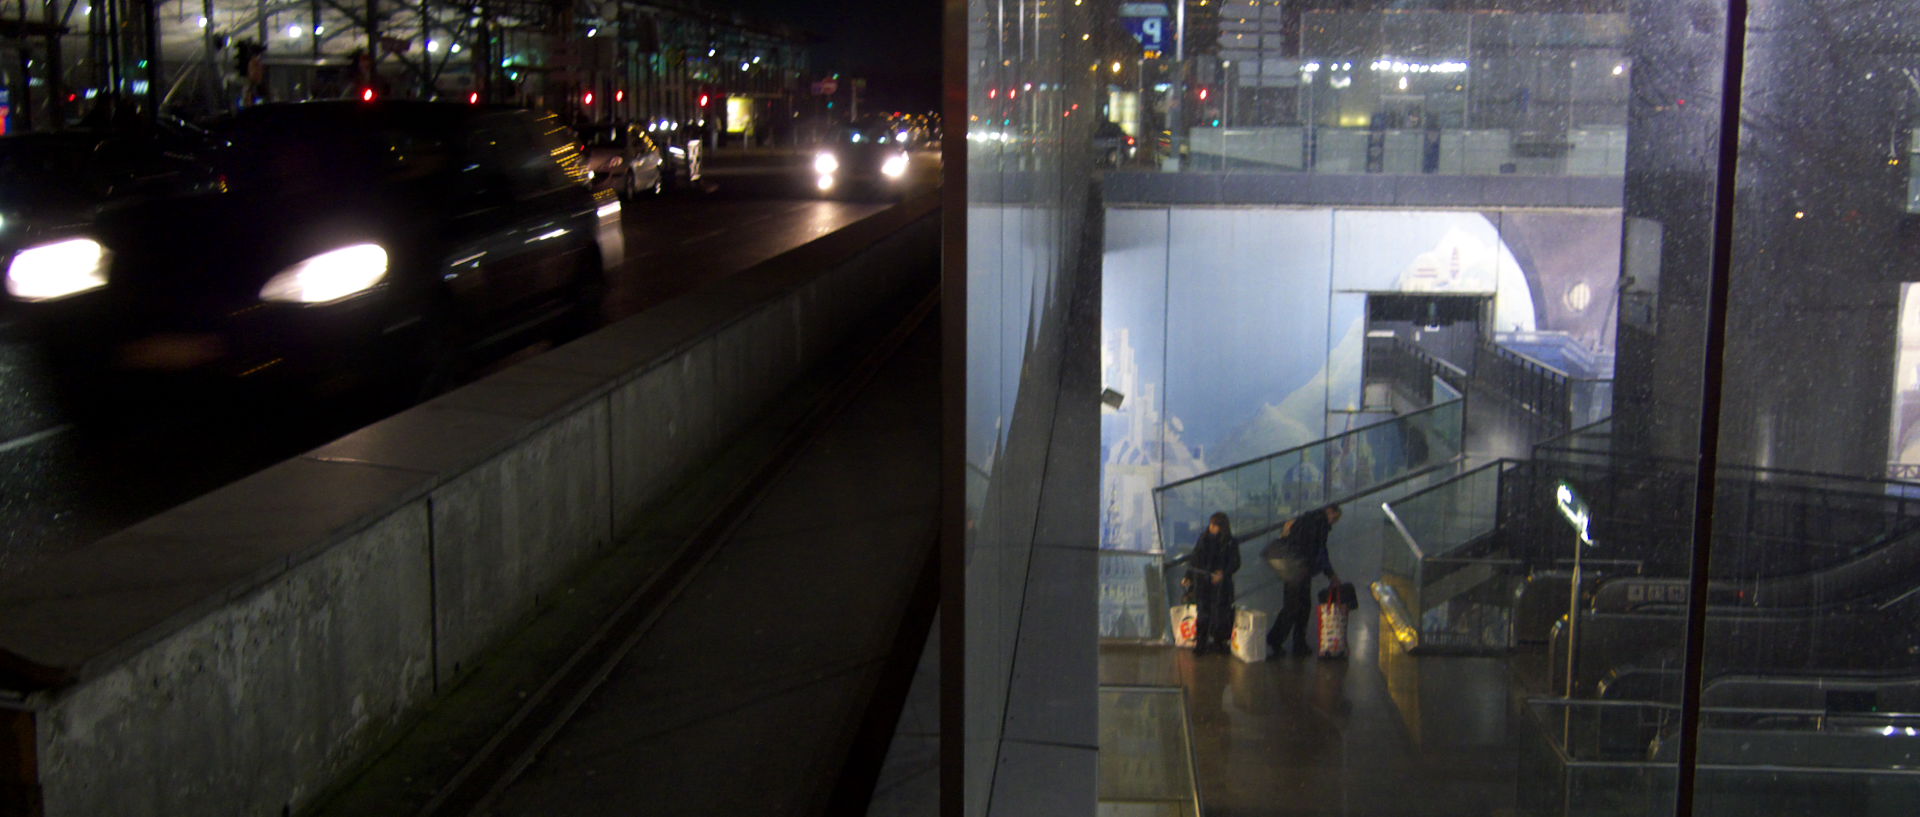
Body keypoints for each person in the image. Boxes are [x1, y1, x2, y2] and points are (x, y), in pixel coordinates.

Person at [1265, 504, 1343, 657]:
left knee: (1296, 606)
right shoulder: (1320, 524)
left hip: (1294, 567)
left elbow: (1293, 538)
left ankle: (1290, 641)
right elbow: (1320, 551)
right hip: (1300, 569)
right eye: (1335, 518)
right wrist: (1331, 574)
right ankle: (1282, 641)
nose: (1334, 522)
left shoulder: (1307, 518)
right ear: (1330, 512)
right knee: (1297, 607)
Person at [1185, 511, 1240, 655]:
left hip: (1220, 585)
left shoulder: (1229, 542)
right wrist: (1189, 576)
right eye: (1211, 524)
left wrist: (1223, 573)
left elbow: (1235, 562)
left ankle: (1218, 642)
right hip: (1204, 582)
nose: (1212, 527)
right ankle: (1202, 643)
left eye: (1215, 525)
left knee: (1220, 614)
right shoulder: (1204, 539)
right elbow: (1195, 559)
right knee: (1204, 613)